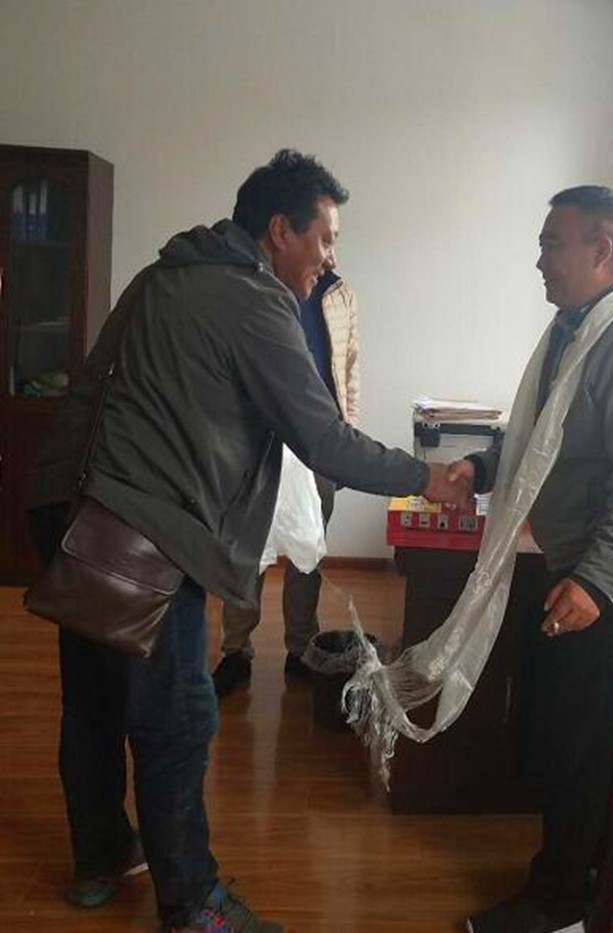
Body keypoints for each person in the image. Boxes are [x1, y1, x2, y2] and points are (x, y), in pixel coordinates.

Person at [26, 149, 471, 933]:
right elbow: (322, 437)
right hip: (141, 534)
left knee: (94, 700)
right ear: (278, 230)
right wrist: (427, 478)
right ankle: (193, 905)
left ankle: (100, 855)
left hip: (70, 510)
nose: (329, 257)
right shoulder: (252, 298)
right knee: (178, 717)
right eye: (324, 238)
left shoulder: (167, 271)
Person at [453, 186, 613, 933]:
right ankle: (607, 863)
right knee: (578, 723)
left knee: (584, 735)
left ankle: (559, 906)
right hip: (583, 561)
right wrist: (480, 468)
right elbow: (544, 437)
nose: (540, 260)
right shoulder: (573, 331)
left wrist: (596, 580)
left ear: (603, 249)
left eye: (553, 243)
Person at [212, 268, 360, 696]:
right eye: (324, 239)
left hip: (319, 438)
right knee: (244, 543)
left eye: (334, 240)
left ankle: (301, 648)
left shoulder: (340, 295)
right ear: (287, 236)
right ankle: (236, 650)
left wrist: (347, 437)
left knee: (308, 546)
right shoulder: (253, 285)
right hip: (254, 436)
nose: (329, 251)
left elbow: (348, 370)